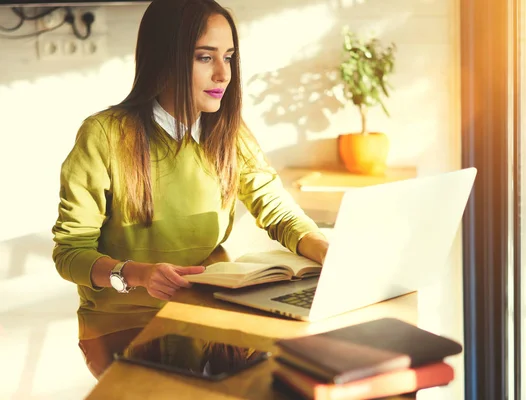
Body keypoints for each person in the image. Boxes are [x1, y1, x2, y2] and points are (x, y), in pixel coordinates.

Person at [51, 0, 329, 379]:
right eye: (204, 57)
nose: (223, 74)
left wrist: (326, 251)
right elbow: (70, 252)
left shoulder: (229, 134)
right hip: (124, 325)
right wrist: (139, 274)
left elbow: (276, 209)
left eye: (228, 57)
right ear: (164, 59)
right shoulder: (104, 135)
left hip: (209, 310)